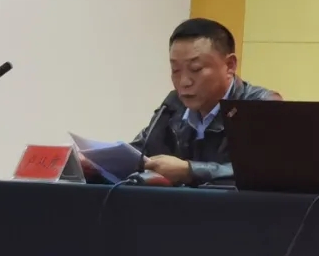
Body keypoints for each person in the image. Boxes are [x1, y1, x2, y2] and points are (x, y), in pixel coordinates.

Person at [82, 18, 281, 186]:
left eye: (196, 69)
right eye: (175, 70)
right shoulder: (174, 104)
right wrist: (97, 162)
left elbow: (269, 172)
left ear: (230, 65)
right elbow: (141, 151)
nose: (184, 82)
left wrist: (190, 171)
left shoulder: (260, 105)